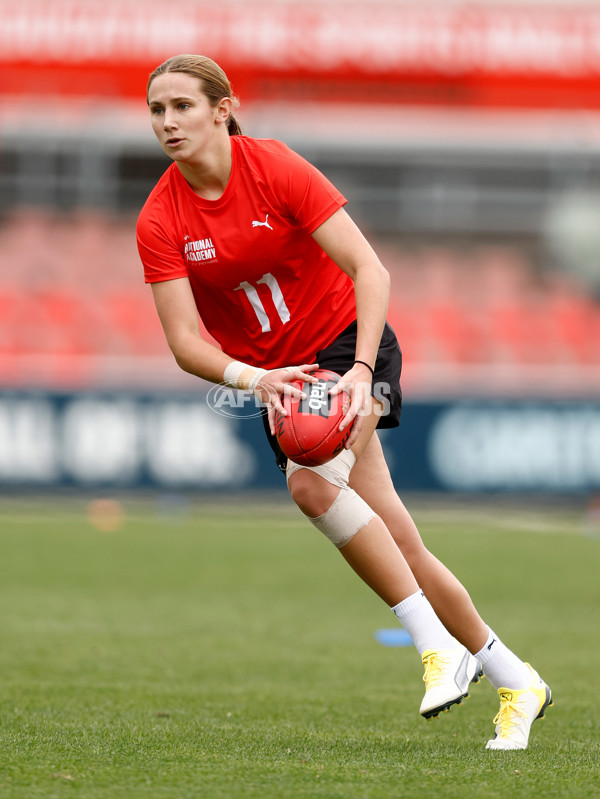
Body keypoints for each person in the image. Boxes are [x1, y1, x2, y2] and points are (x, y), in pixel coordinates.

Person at [136, 54, 552, 750]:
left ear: (223, 107)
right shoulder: (160, 217)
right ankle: (515, 678)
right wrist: (254, 378)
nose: (169, 122)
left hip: (347, 349)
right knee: (398, 538)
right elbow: (184, 340)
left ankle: (434, 646)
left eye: (182, 105)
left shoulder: (274, 168)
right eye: (157, 110)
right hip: (285, 378)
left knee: (309, 482)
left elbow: (369, 268)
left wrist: (360, 370)